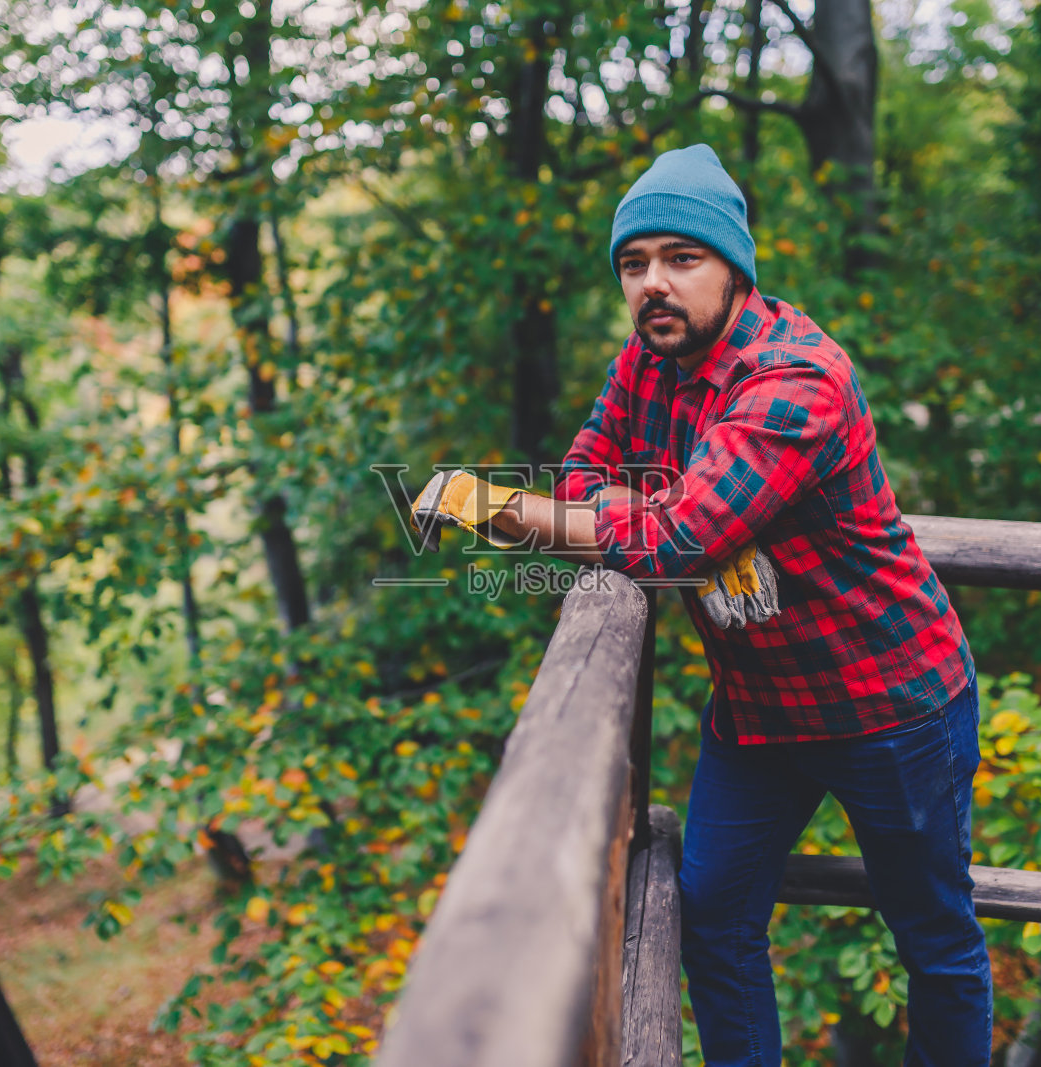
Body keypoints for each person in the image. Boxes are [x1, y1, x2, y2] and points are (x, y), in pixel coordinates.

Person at [411, 144, 991, 1066]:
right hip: (762, 709)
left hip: (892, 703)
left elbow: (669, 542)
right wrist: (690, 521)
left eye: (682, 258)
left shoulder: (798, 378)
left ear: (735, 268)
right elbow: (587, 475)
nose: (654, 284)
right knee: (712, 912)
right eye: (634, 265)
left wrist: (494, 505)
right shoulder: (649, 360)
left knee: (933, 937)